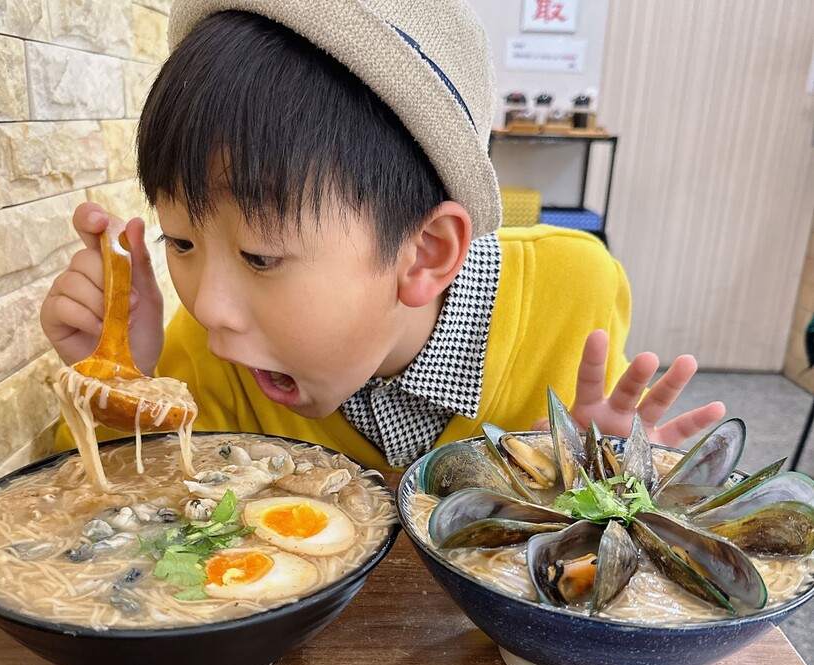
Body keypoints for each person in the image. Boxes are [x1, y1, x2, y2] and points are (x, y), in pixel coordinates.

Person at [41, 0, 724, 473]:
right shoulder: (209, 353)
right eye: (180, 243)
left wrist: (606, 478)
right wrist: (118, 382)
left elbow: (597, 478)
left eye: (261, 255)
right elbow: (129, 527)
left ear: (424, 254)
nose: (210, 306)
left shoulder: (569, 294)